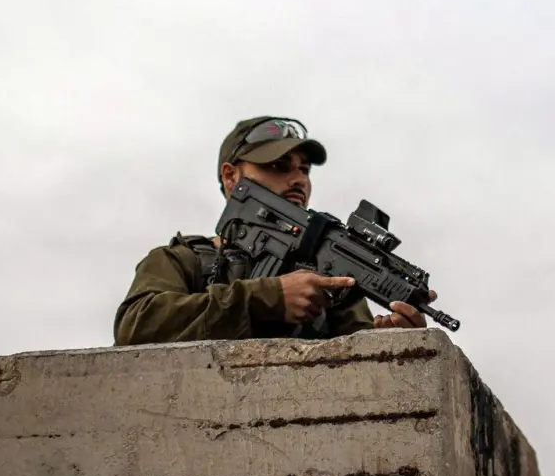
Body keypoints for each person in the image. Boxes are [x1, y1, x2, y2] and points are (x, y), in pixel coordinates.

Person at [112, 116, 436, 346]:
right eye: (279, 165)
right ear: (231, 177)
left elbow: (356, 363)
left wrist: (389, 342)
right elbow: (136, 325)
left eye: (304, 169)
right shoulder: (182, 261)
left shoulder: (329, 282)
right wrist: (269, 298)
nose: (298, 179)